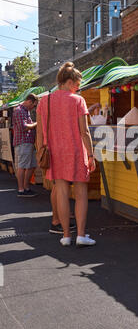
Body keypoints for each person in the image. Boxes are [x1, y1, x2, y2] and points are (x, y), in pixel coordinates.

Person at [36, 62, 96, 247]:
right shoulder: (78, 100)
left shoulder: (44, 102)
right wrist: (91, 155)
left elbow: (39, 133)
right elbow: (84, 132)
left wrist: (40, 152)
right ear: (69, 82)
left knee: (61, 192)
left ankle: (65, 236)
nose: (78, 88)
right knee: (80, 193)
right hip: (76, 151)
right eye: (77, 84)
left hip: (54, 152)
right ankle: (81, 235)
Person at [13, 93, 39, 197]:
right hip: (23, 142)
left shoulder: (25, 111)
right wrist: (36, 123)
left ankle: (26, 188)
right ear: (29, 101)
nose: (34, 107)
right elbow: (23, 127)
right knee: (22, 166)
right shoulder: (19, 110)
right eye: (33, 105)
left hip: (28, 142)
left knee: (32, 166)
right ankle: (21, 190)